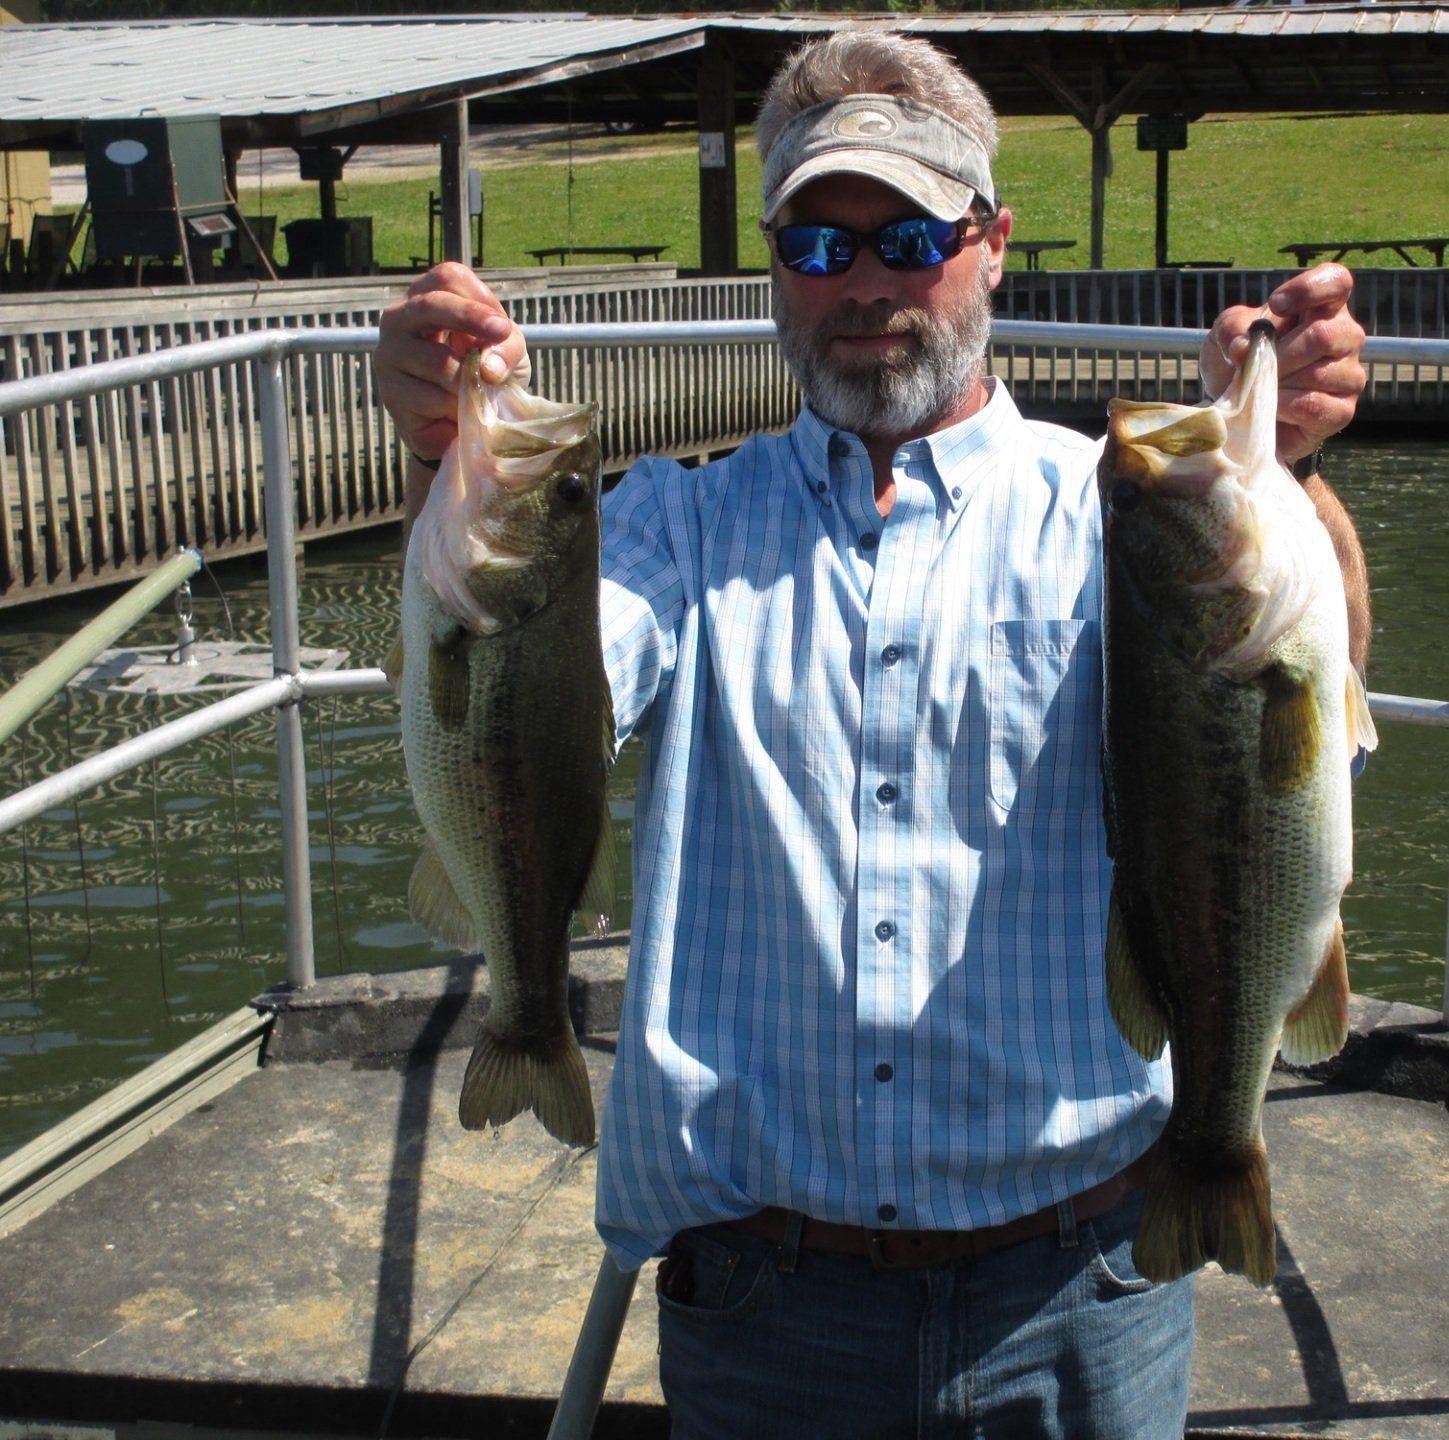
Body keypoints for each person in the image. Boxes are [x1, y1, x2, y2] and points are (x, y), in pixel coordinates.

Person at [375, 30, 1368, 1440]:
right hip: (766, 1309)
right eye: (816, 247)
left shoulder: (1125, 508)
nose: (866, 287)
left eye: (907, 236)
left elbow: (1308, 717)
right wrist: (448, 448)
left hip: (1084, 1283)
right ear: (775, 269)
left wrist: (1296, 471)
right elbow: (520, 682)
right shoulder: (670, 526)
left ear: (993, 243)